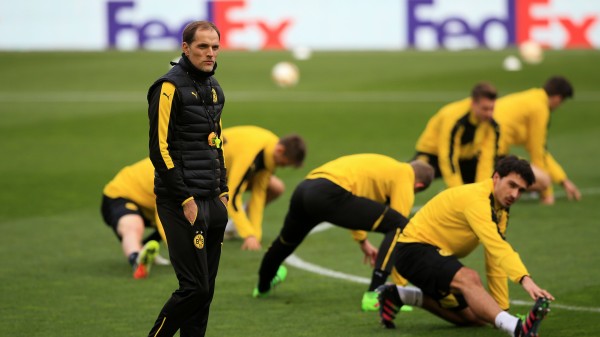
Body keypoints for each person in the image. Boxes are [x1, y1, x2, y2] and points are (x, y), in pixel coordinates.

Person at [377, 156, 554, 337]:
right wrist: (525, 279)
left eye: (521, 190)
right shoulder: (477, 200)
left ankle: (399, 295)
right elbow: (497, 246)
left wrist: (502, 308)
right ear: (496, 178)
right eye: (512, 185)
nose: (515, 195)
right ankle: (519, 329)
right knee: (468, 278)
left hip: (436, 254)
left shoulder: (500, 208)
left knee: (478, 317)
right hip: (412, 250)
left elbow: (494, 257)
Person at [253, 154, 435, 311]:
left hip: (305, 189)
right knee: (399, 225)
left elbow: (353, 205)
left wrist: (363, 241)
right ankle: (375, 295)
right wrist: (401, 287)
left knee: (285, 242)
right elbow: (401, 234)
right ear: (418, 185)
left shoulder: (387, 167)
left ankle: (262, 286)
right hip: (329, 193)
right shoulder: (405, 177)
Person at [146, 21, 228, 337]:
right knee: (194, 288)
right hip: (181, 201)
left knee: (205, 293)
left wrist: (223, 190)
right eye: (202, 47)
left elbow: (217, 142)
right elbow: (159, 149)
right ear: (185, 47)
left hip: (211, 199)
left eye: (215, 47)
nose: (210, 53)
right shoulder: (167, 87)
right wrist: (184, 197)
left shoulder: (214, 88)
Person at [495, 76, 581, 205]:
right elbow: (537, 152)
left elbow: (537, 148)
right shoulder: (540, 109)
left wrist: (563, 180)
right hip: (492, 155)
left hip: (483, 152)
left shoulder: (531, 98)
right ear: (558, 98)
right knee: (544, 180)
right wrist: (547, 194)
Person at [222, 125, 306, 251]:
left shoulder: (271, 150)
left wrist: (256, 234)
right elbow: (232, 195)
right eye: (282, 163)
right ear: (280, 150)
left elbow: (259, 195)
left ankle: (232, 227)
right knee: (224, 196)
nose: (281, 167)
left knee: (276, 187)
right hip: (208, 172)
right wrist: (248, 234)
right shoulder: (250, 154)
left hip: (227, 172)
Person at [414, 82, 500, 188]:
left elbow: (487, 159)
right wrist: (457, 190)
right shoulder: (454, 118)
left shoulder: (492, 124)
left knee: (500, 173)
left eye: (492, 108)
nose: (489, 114)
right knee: (414, 176)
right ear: (473, 104)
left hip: (465, 158)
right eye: (485, 109)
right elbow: (447, 156)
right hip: (433, 154)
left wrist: (480, 188)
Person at [101, 158, 170, 279]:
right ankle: (137, 259)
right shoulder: (168, 173)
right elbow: (165, 216)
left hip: (147, 204)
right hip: (119, 195)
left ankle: (144, 249)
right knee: (133, 226)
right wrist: (182, 254)